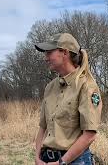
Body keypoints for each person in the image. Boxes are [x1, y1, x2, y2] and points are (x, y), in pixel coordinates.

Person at [34, 33, 102, 165]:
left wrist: (61, 162)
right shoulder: (50, 87)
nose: (45, 58)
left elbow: (89, 135)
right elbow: (42, 128)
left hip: (75, 161)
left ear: (64, 52)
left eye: (49, 52)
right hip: (45, 160)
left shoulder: (87, 86)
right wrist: (37, 157)